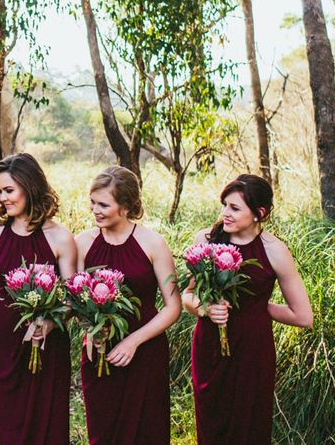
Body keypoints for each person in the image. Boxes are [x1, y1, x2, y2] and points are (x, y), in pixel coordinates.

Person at [183, 174, 313, 444]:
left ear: (259, 213)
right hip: (210, 345)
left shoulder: (275, 251)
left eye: (234, 208)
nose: (225, 213)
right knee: (211, 419)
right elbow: (188, 296)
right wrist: (203, 308)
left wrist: (256, 307)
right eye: (224, 205)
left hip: (252, 350)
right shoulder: (206, 239)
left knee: (249, 422)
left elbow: (303, 316)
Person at [0, 153, 76, 445]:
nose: (3, 198)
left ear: (29, 186)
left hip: (47, 341)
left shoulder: (60, 237)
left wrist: (49, 324)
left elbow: (71, 295)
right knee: (4, 417)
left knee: (46, 421)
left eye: (9, 190)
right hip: (4, 336)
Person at [75, 166, 180, 444]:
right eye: (93, 203)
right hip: (99, 351)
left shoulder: (153, 244)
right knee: (104, 429)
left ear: (126, 206)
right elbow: (72, 299)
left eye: (104, 205)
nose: (95, 210)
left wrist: (133, 341)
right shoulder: (82, 244)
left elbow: (173, 306)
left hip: (145, 352)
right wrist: (90, 328)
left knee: (147, 430)